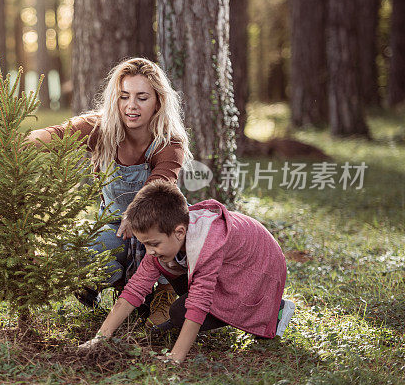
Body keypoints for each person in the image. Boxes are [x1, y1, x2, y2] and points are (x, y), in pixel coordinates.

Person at [27, 57, 191, 327]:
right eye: (124, 96)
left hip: (156, 229)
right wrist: (18, 143)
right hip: (113, 228)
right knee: (73, 252)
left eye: (142, 97)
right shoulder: (101, 128)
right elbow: (56, 133)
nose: (131, 106)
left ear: (158, 102)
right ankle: (112, 284)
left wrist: (137, 212)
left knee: (169, 245)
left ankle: (164, 291)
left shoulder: (168, 142)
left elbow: (160, 183)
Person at [80, 180, 295, 363]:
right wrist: (101, 337)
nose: (149, 251)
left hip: (258, 272)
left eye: (153, 244)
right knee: (171, 275)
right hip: (229, 265)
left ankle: (274, 311)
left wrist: (176, 356)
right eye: (144, 244)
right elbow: (135, 288)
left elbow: (199, 301)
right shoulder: (170, 237)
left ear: (179, 232)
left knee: (180, 313)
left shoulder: (207, 244)